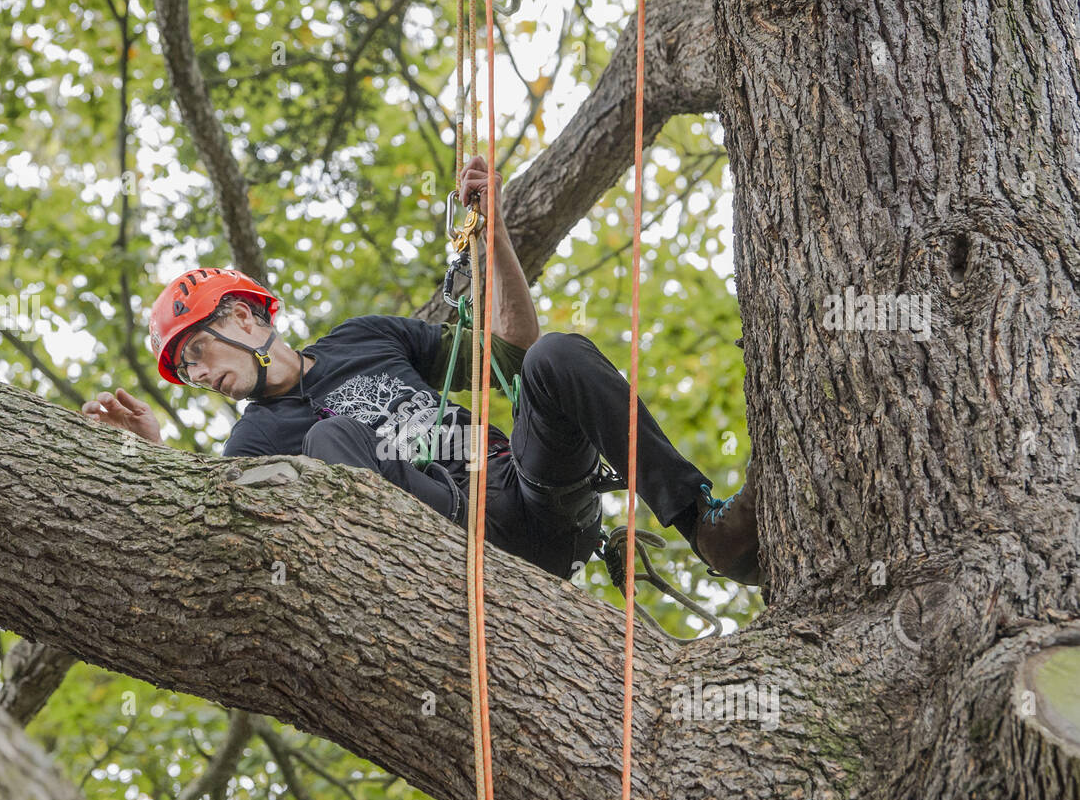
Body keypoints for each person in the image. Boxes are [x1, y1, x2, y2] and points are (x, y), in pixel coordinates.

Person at [85, 156, 762, 585]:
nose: (199, 377)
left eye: (195, 353)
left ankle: (705, 525)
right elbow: (221, 529)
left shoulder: (363, 338)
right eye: (185, 372)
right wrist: (159, 465)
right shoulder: (252, 446)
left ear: (239, 317)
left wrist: (494, 239)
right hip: (442, 541)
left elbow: (513, 353)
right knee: (328, 442)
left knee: (558, 354)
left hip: (530, 496)